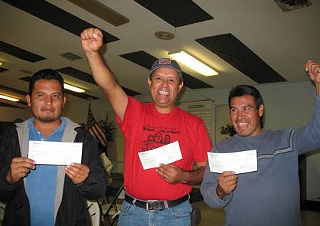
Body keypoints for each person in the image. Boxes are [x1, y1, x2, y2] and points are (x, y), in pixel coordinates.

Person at [80, 28, 212, 226]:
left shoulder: (194, 124)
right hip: (134, 213)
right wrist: (92, 53)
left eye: (171, 80)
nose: (164, 85)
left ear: (180, 86)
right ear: (150, 82)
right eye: (158, 78)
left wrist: (183, 176)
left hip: (175, 214)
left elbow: (206, 170)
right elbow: (109, 86)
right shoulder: (134, 112)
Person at [200, 60, 320, 226]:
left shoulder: (286, 140)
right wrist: (220, 190)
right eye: (234, 110)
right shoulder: (221, 150)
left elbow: (316, 134)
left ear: (260, 110)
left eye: (246, 108)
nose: (239, 116)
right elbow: (209, 197)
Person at [0, 69, 108, 226]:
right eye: (41, 95)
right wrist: (9, 178)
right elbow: (2, 194)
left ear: (64, 101)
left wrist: (86, 179)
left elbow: (99, 190)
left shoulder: (82, 138)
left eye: (55, 96)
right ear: (29, 100)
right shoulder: (11, 137)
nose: (48, 102)